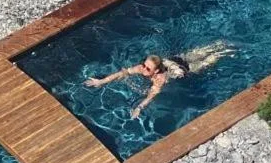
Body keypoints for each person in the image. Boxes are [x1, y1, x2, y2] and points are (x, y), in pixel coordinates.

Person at [84, 41, 235, 118]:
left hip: (185, 69)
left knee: (210, 57)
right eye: (144, 65)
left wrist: (139, 107)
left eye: (147, 68)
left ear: (156, 71)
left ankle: (229, 49)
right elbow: (121, 73)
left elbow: (151, 95)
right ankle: (224, 47)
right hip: (177, 60)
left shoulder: (159, 79)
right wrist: (101, 81)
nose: (143, 68)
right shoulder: (141, 68)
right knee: (203, 53)